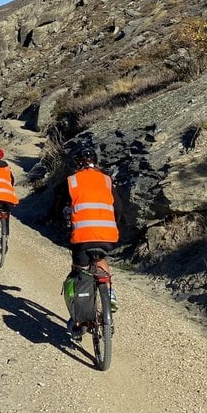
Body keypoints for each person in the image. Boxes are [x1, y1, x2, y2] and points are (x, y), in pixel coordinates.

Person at [64, 143, 121, 339]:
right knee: (99, 259)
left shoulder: (72, 181)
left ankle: (78, 322)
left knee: (78, 272)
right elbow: (119, 207)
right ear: (95, 162)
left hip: (82, 236)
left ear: (78, 163)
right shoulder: (106, 180)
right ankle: (110, 294)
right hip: (108, 234)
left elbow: (62, 207)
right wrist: (114, 224)